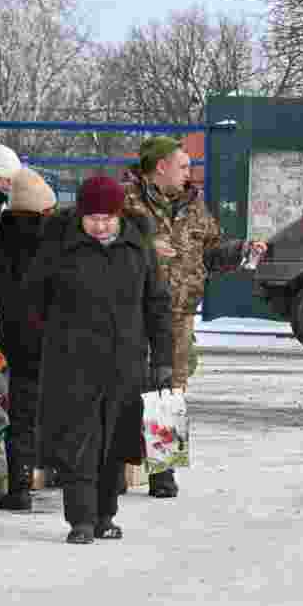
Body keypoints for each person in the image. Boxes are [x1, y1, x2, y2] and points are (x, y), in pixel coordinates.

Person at [31, 176, 172, 544]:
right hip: (73, 363)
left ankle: (105, 515)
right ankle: (80, 519)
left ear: (119, 215)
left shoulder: (137, 246)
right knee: (79, 442)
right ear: (80, 215)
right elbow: (35, 299)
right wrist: (52, 340)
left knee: (116, 441)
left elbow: (156, 303)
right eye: (92, 217)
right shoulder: (59, 247)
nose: (100, 224)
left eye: (107, 217)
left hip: (125, 362)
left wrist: (163, 357)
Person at [122, 136, 263, 498]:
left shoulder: (194, 204)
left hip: (178, 314)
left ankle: (163, 472)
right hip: (129, 312)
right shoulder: (125, 202)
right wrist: (145, 248)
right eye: (183, 166)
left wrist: (242, 250)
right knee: (124, 388)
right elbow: (101, 243)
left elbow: (211, 249)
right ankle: (115, 469)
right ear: (161, 167)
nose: (189, 173)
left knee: (169, 390)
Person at [0, 168, 57, 512]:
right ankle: (66, 476)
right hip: (55, 339)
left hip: (17, 339)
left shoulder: (1, 242)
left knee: (22, 414)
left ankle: (19, 488)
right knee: (65, 411)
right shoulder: (55, 242)